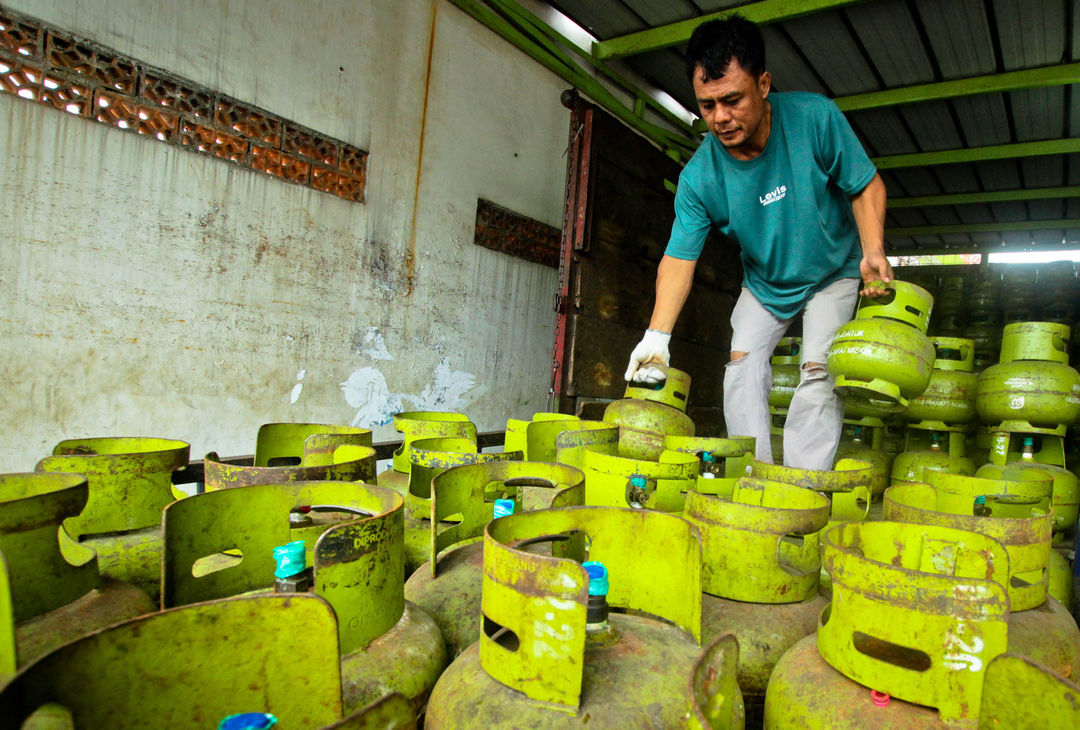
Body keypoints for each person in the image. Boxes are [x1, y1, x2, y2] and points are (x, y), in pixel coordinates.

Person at [623, 14, 892, 471]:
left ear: (763, 85)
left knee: (818, 369)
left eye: (732, 100)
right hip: (767, 282)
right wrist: (656, 335)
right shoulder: (699, 178)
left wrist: (872, 251)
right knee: (742, 364)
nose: (721, 118)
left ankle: (804, 484)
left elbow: (865, 185)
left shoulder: (815, 119)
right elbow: (679, 258)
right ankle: (756, 476)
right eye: (707, 106)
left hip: (833, 271)